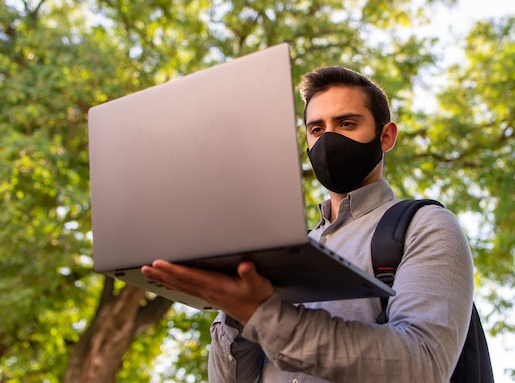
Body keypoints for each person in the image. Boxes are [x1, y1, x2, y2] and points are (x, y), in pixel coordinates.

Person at [141, 66, 474, 382]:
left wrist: (264, 315)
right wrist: (235, 308)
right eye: (317, 129)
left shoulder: (425, 226)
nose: (329, 140)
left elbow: (424, 366)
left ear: (386, 136)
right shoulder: (280, 250)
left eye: (346, 124)